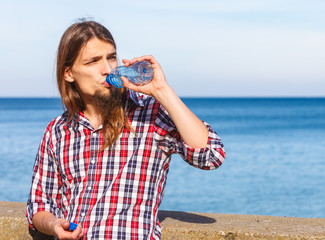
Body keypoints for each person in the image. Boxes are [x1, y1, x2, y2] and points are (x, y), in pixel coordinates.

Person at [26, 19, 226, 240]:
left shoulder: (149, 112)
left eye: (111, 57)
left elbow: (211, 156)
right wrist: (54, 224)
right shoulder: (58, 130)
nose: (107, 69)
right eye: (93, 61)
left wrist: (162, 91)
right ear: (69, 74)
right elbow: (39, 204)